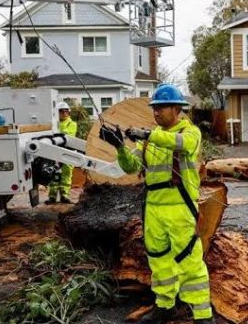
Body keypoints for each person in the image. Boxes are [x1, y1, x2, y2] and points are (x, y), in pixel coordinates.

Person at [99, 84, 214, 324]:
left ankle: (203, 314)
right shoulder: (150, 140)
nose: (157, 112)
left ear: (177, 109)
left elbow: (179, 144)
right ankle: (165, 306)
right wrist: (119, 146)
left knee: (189, 260)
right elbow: (130, 167)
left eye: (162, 108)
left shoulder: (190, 133)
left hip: (180, 208)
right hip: (153, 209)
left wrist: (145, 134)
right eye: (155, 108)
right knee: (159, 261)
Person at [46, 102, 77, 204]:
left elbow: (68, 135)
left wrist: (56, 135)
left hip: (68, 152)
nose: (64, 113)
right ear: (57, 112)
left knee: (66, 174)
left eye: (66, 111)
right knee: (53, 174)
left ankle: (65, 195)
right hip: (55, 152)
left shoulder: (71, 124)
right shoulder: (54, 124)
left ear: (69, 112)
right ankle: (52, 196)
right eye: (61, 111)